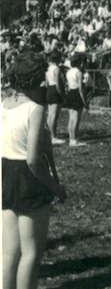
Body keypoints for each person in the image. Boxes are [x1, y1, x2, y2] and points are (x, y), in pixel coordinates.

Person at [2, 52, 67, 289]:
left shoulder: (4, 104)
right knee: (31, 252)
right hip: (28, 177)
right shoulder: (35, 109)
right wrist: (55, 188)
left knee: (9, 253)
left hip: (6, 172)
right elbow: (32, 159)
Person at [63, 53, 88, 147]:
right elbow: (81, 89)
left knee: (71, 118)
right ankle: (74, 139)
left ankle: (71, 138)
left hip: (70, 93)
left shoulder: (68, 72)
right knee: (76, 118)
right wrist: (84, 101)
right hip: (77, 93)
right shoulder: (79, 73)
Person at [44, 51, 65, 145]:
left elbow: (47, 82)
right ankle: (53, 136)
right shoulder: (56, 69)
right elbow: (58, 84)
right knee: (54, 115)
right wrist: (62, 95)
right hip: (55, 90)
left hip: (49, 89)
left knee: (50, 114)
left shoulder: (48, 68)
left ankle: (49, 135)